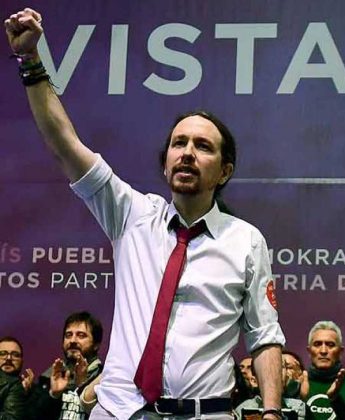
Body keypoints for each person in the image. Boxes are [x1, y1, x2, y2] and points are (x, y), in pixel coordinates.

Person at [5, 7, 285, 419]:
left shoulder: (246, 240)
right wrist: (30, 60)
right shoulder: (131, 214)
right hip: (119, 411)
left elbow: (264, 337)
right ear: (165, 164)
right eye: (179, 143)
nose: (187, 152)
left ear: (225, 171)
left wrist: (273, 411)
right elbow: (64, 143)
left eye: (203, 147)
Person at [27, 311, 104, 420]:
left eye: (81, 335)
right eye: (68, 335)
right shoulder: (49, 377)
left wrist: (83, 386)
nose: (72, 340)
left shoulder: (104, 379)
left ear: (96, 345)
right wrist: (53, 395)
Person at [300, 321, 345, 420]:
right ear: (309, 351)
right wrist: (299, 399)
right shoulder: (298, 383)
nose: (323, 351)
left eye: (330, 345)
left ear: (340, 351)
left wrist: (335, 399)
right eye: (317, 344)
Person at [0, 337, 26, 419]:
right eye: (2, 353)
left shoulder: (32, 391)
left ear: (22, 361)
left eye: (15, 355)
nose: (8, 358)